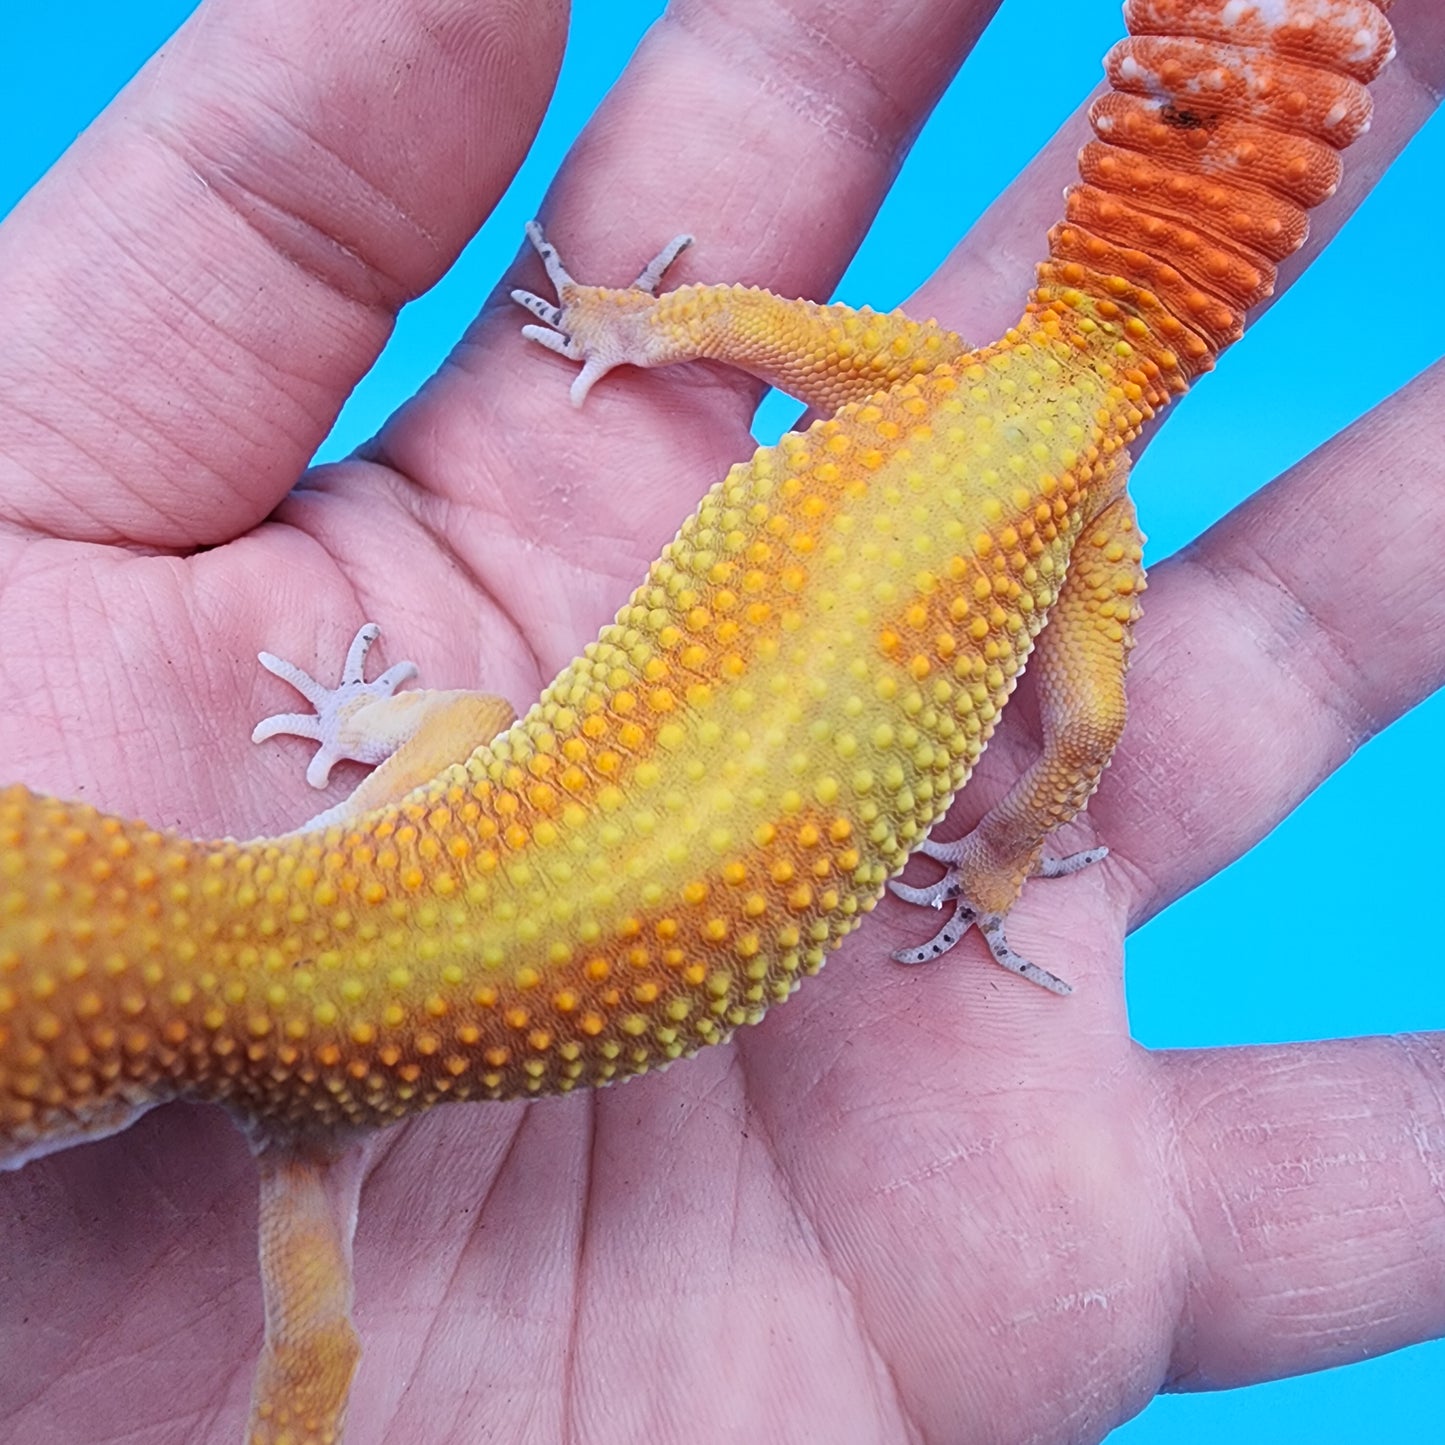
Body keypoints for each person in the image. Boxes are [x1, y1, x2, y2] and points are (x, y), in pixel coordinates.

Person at [1, 0, 1441, 1439]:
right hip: (988, 427)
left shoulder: (310, 1135)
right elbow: (459, 730)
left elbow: (305, 1386)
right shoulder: (330, 876)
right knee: (1076, 721)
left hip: (1015, 456)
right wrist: (635, 331)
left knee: (1078, 722)